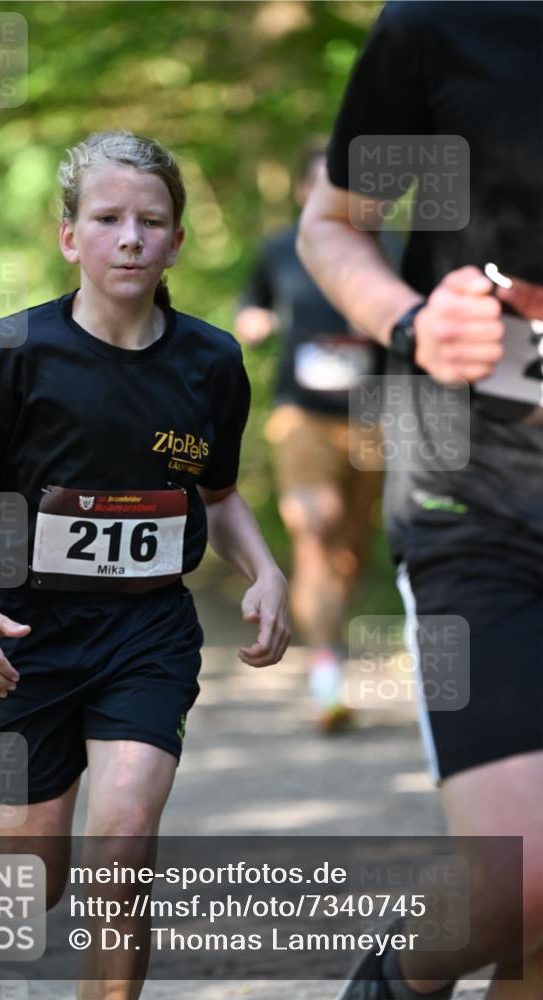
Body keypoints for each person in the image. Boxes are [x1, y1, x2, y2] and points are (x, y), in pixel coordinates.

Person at [0, 129, 290, 1000]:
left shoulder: (211, 361)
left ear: (176, 243)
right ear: (68, 236)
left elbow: (220, 493)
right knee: (30, 884)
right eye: (108, 218)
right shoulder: (14, 350)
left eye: (150, 221)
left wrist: (263, 570)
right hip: (30, 634)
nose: (130, 237)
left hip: (148, 632)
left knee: (122, 846)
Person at [297, 2, 542, 999]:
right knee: (517, 885)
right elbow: (331, 224)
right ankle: (391, 980)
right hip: (472, 487)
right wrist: (409, 324)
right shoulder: (447, 23)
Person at [235, 143, 386, 731]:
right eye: (321, 184)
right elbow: (251, 307)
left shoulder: (386, 247)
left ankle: (334, 651)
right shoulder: (279, 249)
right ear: (303, 192)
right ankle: (327, 679)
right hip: (302, 414)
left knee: (349, 553)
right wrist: (255, 323)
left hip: (374, 418)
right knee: (314, 525)